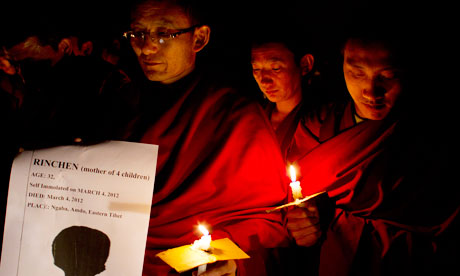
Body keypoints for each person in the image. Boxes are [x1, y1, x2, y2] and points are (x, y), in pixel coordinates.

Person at [112, 0, 291, 275]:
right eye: (138, 34)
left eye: (164, 34)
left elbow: (269, 218)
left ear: (199, 38)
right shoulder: (116, 102)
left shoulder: (233, 114)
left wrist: (221, 251)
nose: (147, 47)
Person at [284, 15, 459, 276]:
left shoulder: (431, 133)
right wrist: (301, 224)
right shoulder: (318, 125)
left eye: (388, 76)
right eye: (356, 73)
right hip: (338, 256)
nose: (371, 91)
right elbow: (295, 201)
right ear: (340, 66)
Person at [250, 27, 316, 161]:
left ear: (305, 65)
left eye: (275, 68)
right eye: (256, 69)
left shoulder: (321, 122)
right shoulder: (252, 117)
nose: (264, 81)